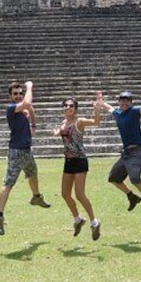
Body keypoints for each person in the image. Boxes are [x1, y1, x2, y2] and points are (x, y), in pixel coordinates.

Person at [0, 81, 50, 236]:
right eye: (15, 94)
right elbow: (28, 104)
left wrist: (33, 125)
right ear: (10, 96)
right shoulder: (11, 108)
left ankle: (37, 197)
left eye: (20, 93)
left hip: (26, 150)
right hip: (16, 152)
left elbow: (30, 107)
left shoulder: (23, 108)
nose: (18, 96)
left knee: (33, 174)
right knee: (8, 183)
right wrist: (30, 87)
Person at [99, 89, 141, 219]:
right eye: (122, 100)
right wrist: (101, 102)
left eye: (127, 100)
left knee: (134, 178)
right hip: (126, 153)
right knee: (114, 178)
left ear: (131, 102)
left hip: (138, 150)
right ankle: (132, 196)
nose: (124, 103)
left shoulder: (134, 111)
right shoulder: (118, 113)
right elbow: (109, 108)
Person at [53, 95, 103, 240]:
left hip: (80, 161)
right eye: (66, 105)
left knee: (80, 195)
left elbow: (96, 122)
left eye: (71, 106)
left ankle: (94, 222)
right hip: (68, 162)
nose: (68, 108)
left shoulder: (79, 121)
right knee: (65, 194)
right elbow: (63, 134)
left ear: (75, 109)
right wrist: (57, 133)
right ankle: (78, 220)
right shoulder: (63, 123)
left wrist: (97, 110)